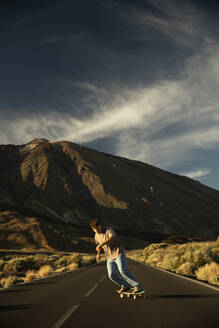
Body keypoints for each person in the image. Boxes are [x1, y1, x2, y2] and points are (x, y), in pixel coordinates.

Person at [90, 218, 143, 294]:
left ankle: (137, 286)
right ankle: (125, 285)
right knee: (111, 275)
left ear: (100, 226)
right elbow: (99, 247)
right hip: (109, 257)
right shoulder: (96, 236)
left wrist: (101, 244)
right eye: (94, 230)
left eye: (97, 229)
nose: (96, 231)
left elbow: (112, 238)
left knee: (123, 270)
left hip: (118, 252)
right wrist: (98, 254)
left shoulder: (108, 230)